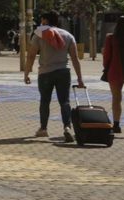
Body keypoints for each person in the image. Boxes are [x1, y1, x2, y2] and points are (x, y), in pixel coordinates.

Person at [22, 11, 86, 141]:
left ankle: (43, 129)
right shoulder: (68, 35)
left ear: (45, 21)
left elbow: (31, 55)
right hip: (63, 72)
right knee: (65, 101)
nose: (41, 23)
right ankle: (67, 127)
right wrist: (80, 78)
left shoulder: (39, 34)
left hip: (45, 73)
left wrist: (27, 73)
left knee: (45, 101)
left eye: (42, 20)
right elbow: (75, 58)